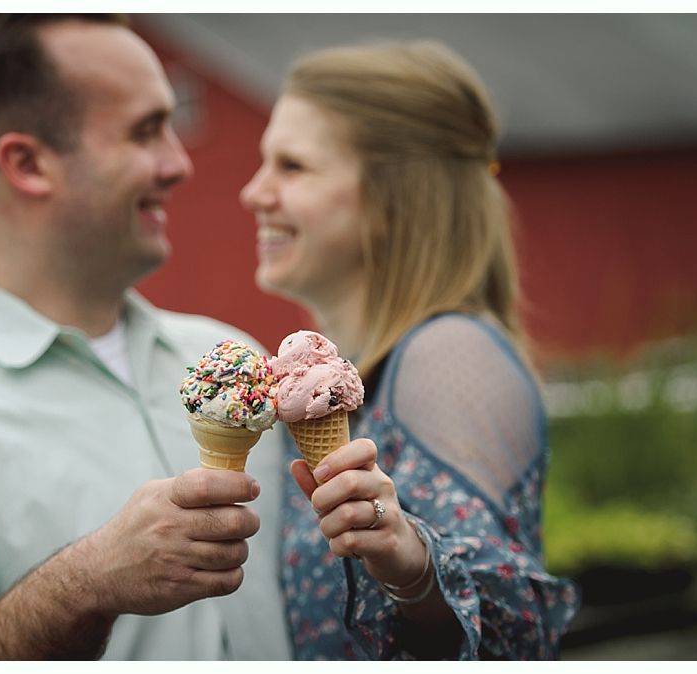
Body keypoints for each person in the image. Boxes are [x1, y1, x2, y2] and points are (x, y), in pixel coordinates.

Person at [0, 14, 290, 660]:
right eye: (146, 131)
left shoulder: (233, 357)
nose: (178, 163)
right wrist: (88, 581)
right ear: (29, 164)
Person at [240, 40, 580, 659]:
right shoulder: (372, 372)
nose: (253, 192)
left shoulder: (450, 352)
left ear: (392, 197)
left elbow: (509, 614)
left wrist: (413, 567)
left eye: (291, 167)